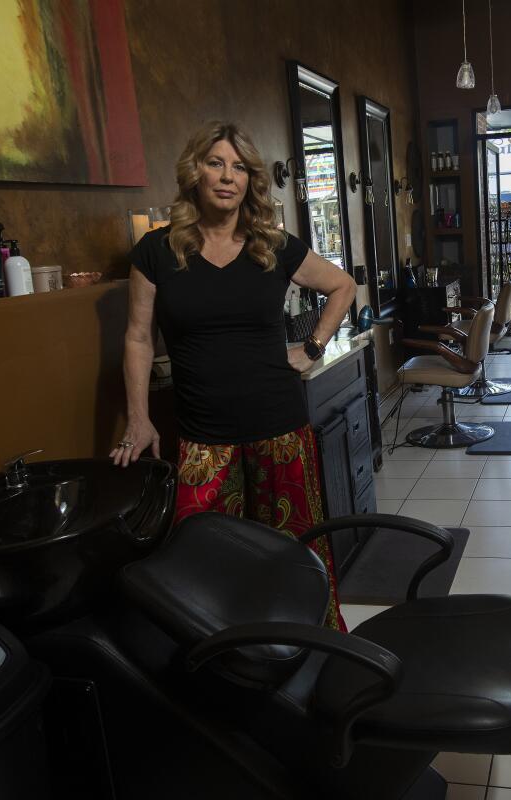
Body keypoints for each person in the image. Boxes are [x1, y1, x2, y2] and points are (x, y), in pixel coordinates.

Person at [112, 121, 356, 631]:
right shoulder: (156, 252)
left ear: (250, 180)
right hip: (204, 437)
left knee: (297, 558)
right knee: (204, 568)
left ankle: (314, 651)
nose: (228, 177)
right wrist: (139, 418)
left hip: (281, 430)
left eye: (239, 167)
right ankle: (228, 670)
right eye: (215, 163)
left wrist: (312, 348)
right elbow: (137, 338)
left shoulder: (271, 244)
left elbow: (342, 286)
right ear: (195, 173)